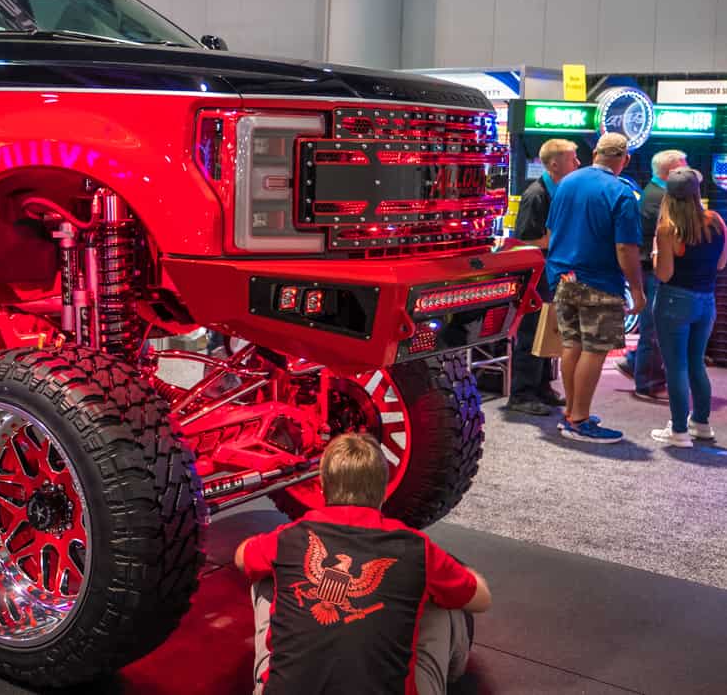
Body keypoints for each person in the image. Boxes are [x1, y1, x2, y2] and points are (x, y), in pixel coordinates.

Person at [235, 433, 492, 695]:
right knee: (444, 598)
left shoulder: (290, 536)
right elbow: (481, 599)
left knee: (264, 573)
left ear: (322, 486)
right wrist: (456, 573)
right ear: (384, 490)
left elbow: (242, 557)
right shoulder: (416, 548)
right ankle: (452, 674)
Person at [545, 132, 645, 443]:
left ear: (595, 154)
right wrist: (637, 290)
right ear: (625, 159)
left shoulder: (567, 183)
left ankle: (571, 412)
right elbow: (625, 248)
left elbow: (552, 230)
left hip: (563, 277)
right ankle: (580, 419)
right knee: (594, 350)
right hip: (599, 282)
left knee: (571, 345)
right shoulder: (621, 192)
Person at [648, 167, 724, 448]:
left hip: (674, 301)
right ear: (696, 192)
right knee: (696, 363)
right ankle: (701, 424)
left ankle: (679, 430)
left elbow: (664, 274)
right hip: (706, 301)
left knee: (676, 367)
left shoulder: (668, 228)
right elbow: (721, 264)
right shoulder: (716, 220)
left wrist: (655, 251)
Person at [507, 138, 580, 415]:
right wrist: (556, 239)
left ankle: (541, 386)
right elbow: (523, 240)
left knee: (549, 331)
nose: (578, 163)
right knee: (531, 332)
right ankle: (521, 394)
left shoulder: (559, 191)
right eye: (572, 159)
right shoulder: (536, 195)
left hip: (552, 271)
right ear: (554, 164)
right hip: (535, 275)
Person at [616, 148, 687, 400]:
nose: (687, 172)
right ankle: (648, 383)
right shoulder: (660, 198)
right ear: (671, 171)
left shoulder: (657, 193)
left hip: (652, 267)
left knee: (656, 325)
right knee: (655, 328)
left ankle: (635, 363)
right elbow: (677, 234)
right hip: (653, 269)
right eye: (684, 167)